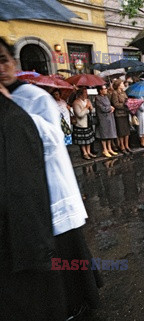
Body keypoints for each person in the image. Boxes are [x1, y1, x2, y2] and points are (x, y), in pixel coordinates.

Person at [0, 37, 101, 320]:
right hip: (21, 196)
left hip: (51, 187)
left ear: (14, 63)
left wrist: (14, 112)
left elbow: (53, 139)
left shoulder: (34, 96)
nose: (0, 68)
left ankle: (80, 299)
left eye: (3, 60)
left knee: (64, 253)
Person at [72, 87, 96, 160]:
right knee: (82, 140)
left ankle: (88, 152)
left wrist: (91, 108)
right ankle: (84, 153)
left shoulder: (87, 100)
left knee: (88, 138)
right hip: (81, 123)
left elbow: (93, 111)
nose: (86, 94)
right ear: (80, 94)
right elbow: (79, 114)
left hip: (88, 122)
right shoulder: (76, 102)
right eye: (85, 93)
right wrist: (86, 108)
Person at [95, 85, 118, 157]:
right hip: (103, 118)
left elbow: (109, 105)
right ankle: (105, 149)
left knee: (110, 133)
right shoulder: (97, 98)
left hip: (109, 117)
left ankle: (109, 148)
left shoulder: (106, 97)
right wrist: (110, 108)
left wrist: (112, 107)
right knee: (104, 134)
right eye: (104, 89)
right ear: (100, 90)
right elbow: (102, 108)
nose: (106, 90)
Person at [111, 79, 131, 154]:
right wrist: (124, 105)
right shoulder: (115, 93)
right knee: (121, 131)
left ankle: (127, 145)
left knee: (127, 131)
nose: (123, 85)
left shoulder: (124, 92)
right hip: (119, 114)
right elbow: (115, 104)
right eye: (122, 84)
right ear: (118, 85)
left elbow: (127, 100)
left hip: (125, 113)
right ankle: (122, 146)